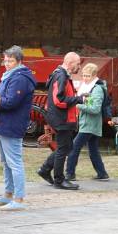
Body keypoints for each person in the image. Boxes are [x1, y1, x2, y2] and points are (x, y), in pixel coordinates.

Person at [0, 47, 36, 211]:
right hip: (3, 123)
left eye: (10, 61)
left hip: (12, 124)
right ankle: (8, 194)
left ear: (19, 61)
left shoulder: (20, 78)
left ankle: (19, 198)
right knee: (6, 162)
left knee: (14, 162)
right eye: (6, 60)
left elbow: (10, 102)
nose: (7, 63)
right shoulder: (9, 76)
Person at [37, 51, 82, 190]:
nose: (79, 67)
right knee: (64, 149)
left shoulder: (59, 74)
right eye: (78, 64)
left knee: (66, 147)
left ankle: (45, 170)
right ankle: (59, 180)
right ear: (69, 63)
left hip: (61, 118)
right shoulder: (61, 76)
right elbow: (59, 100)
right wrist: (78, 99)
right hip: (61, 118)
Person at [67, 62, 111, 182]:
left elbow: (95, 109)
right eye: (84, 75)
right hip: (89, 124)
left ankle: (69, 174)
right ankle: (102, 174)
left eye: (88, 76)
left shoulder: (97, 89)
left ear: (94, 75)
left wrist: (79, 106)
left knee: (74, 147)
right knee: (93, 150)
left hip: (90, 125)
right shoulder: (88, 87)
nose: (85, 78)